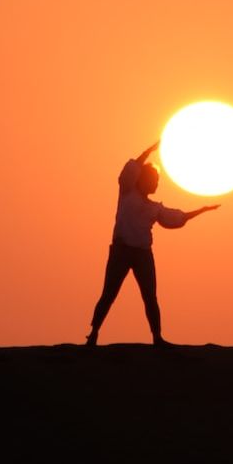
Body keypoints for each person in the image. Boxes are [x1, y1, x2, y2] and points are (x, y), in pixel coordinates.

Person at [85, 140, 218, 347]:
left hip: (143, 254)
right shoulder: (127, 192)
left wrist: (201, 211)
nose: (157, 184)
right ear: (143, 180)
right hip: (121, 250)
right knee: (109, 294)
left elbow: (176, 218)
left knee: (150, 297)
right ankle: (93, 334)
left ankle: (157, 338)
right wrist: (148, 151)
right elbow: (130, 171)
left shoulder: (154, 208)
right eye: (154, 179)